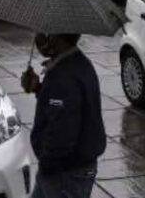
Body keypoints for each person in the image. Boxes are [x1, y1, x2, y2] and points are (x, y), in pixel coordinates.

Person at [21, 34, 106, 198]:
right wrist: (39, 88)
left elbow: (62, 131)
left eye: (45, 32)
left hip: (64, 174)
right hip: (64, 169)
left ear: (56, 38)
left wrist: (47, 163)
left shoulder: (64, 76)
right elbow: (67, 108)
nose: (38, 38)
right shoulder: (75, 63)